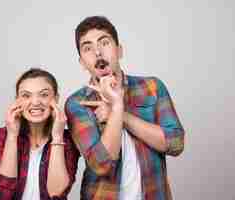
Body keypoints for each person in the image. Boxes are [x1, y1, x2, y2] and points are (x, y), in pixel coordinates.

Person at [65, 16, 185, 200]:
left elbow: (175, 143)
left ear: (119, 50)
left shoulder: (152, 87)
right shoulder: (77, 104)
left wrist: (120, 114)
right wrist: (117, 107)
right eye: (87, 48)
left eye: (104, 42)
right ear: (82, 62)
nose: (98, 53)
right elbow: (101, 165)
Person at [0, 68, 79, 200]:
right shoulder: (4, 134)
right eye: (26, 95)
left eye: (44, 95)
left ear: (56, 98)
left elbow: (56, 193)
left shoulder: (68, 139)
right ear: (17, 101)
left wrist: (57, 136)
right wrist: (12, 136)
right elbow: (3, 192)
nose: (36, 102)